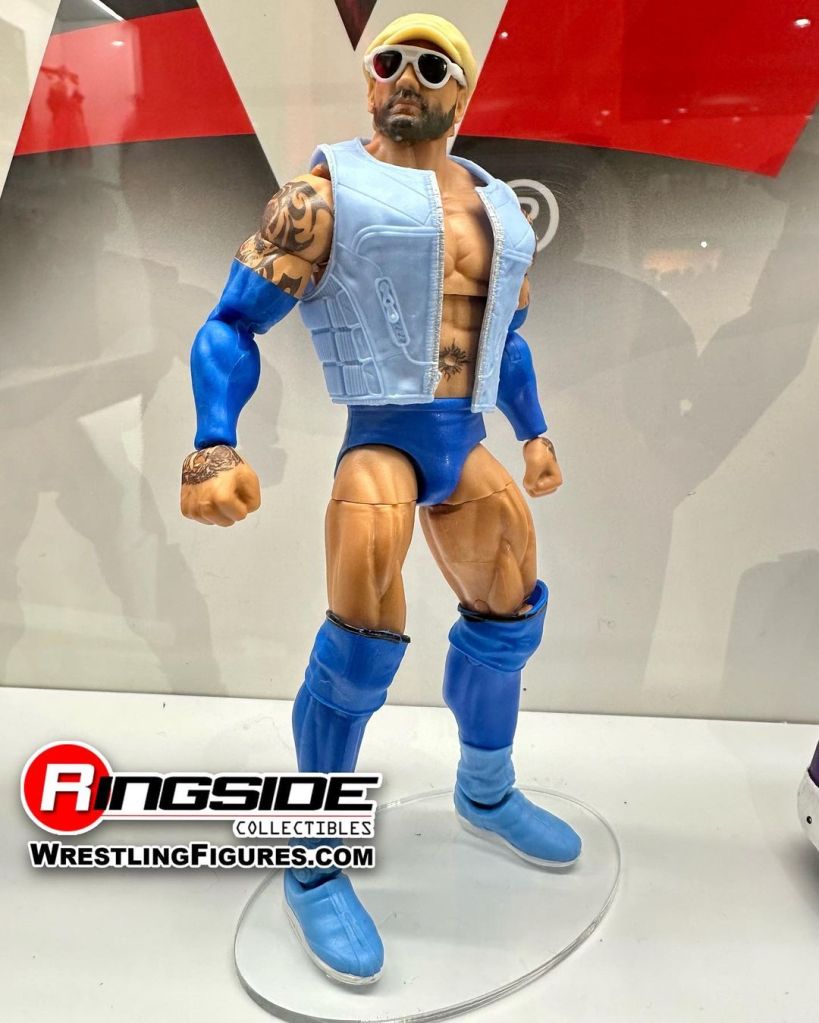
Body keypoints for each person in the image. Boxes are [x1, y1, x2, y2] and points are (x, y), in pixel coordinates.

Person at [180, 12, 581, 986]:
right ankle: (313, 856)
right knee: (362, 620)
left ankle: (485, 790)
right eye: (388, 60)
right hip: (381, 441)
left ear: (462, 89)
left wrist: (533, 430)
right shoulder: (320, 197)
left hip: (465, 440)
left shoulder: (499, 208)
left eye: (431, 64)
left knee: (510, 605)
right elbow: (231, 321)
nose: (405, 76)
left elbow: (504, 340)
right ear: (368, 81)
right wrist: (212, 443)